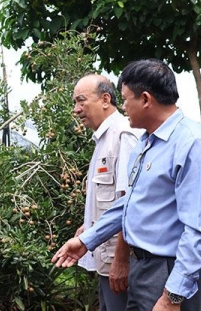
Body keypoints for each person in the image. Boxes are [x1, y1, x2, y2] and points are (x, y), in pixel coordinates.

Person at [52, 59, 201, 310]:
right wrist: (86, 240)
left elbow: (200, 231)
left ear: (145, 99)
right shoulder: (146, 144)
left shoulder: (193, 145)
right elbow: (130, 202)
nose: (122, 107)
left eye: (124, 100)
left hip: (169, 270)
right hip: (143, 267)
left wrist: (172, 296)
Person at [73, 74, 143, 310]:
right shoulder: (103, 140)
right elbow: (108, 201)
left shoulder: (123, 135)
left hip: (118, 262)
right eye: (75, 102)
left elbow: (130, 203)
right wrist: (89, 225)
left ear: (105, 99)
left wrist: (121, 260)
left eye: (81, 101)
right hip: (106, 260)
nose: (76, 109)